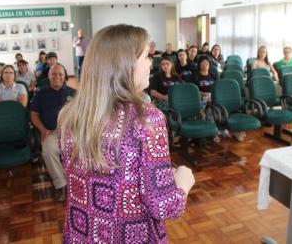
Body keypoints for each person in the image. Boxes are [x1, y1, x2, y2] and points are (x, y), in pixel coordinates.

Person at [57, 24, 194, 243]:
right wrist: (183, 182)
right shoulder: (147, 119)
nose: (151, 63)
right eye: (146, 57)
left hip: (80, 234)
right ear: (126, 65)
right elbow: (164, 206)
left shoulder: (70, 116)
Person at [30, 65, 76, 202]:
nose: (57, 77)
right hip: (51, 131)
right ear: (49, 76)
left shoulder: (74, 93)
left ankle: (78, 182)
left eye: (60, 74)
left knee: (84, 149)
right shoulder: (40, 94)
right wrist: (42, 129)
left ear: (64, 76)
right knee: (48, 150)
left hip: (71, 131)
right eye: (54, 74)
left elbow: (83, 113)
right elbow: (34, 115)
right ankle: (61, 185)